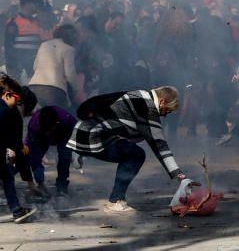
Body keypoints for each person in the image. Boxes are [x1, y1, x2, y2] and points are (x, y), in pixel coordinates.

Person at [67, 85, 188, 213]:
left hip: (83, 132)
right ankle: (115, 201)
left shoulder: (140, 95)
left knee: (129, 148)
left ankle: (80, 151)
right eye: (167, 110)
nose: (164, 115)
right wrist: (179, 175)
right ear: (162, 101)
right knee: (136, 155)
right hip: (92, 136)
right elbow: (159, 145)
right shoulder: (148, 108)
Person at [0, 76, 37, 223]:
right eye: (17, 99)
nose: (17, 103)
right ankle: (17, 211)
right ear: (7, 95)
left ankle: (17, 211)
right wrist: (17, 148)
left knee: (7, 176)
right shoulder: (4, 111)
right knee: (7, 177)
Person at [26, 105, 77, 198]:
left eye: (49, 129)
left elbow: (78, 132)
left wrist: (78, 152)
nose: (47, 132)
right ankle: (41, 185)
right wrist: (39, 182)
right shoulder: (34, 126)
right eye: (45, 129)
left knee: (65, 158)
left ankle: (62, 187)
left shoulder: (66, 118)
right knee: (34, 156)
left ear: (56, 122)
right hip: (40, 137)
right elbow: (34, 157)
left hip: (63, 134)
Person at [28, 23, 83, 110]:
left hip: (34, 87)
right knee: (57, 119)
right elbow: (70, 74)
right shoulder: (68, 49)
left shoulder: (44, 45)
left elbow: (35, 67)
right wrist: (75, 89)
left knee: (37, 118)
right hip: (54, 90)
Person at [5, 0, 48, 82]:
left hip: (33, 66)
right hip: (18, 65)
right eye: (34, 3)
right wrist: (13, 66)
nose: (36, 6)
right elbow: (8, 46)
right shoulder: (14, 22)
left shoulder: (37, 22)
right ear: (28, 5)